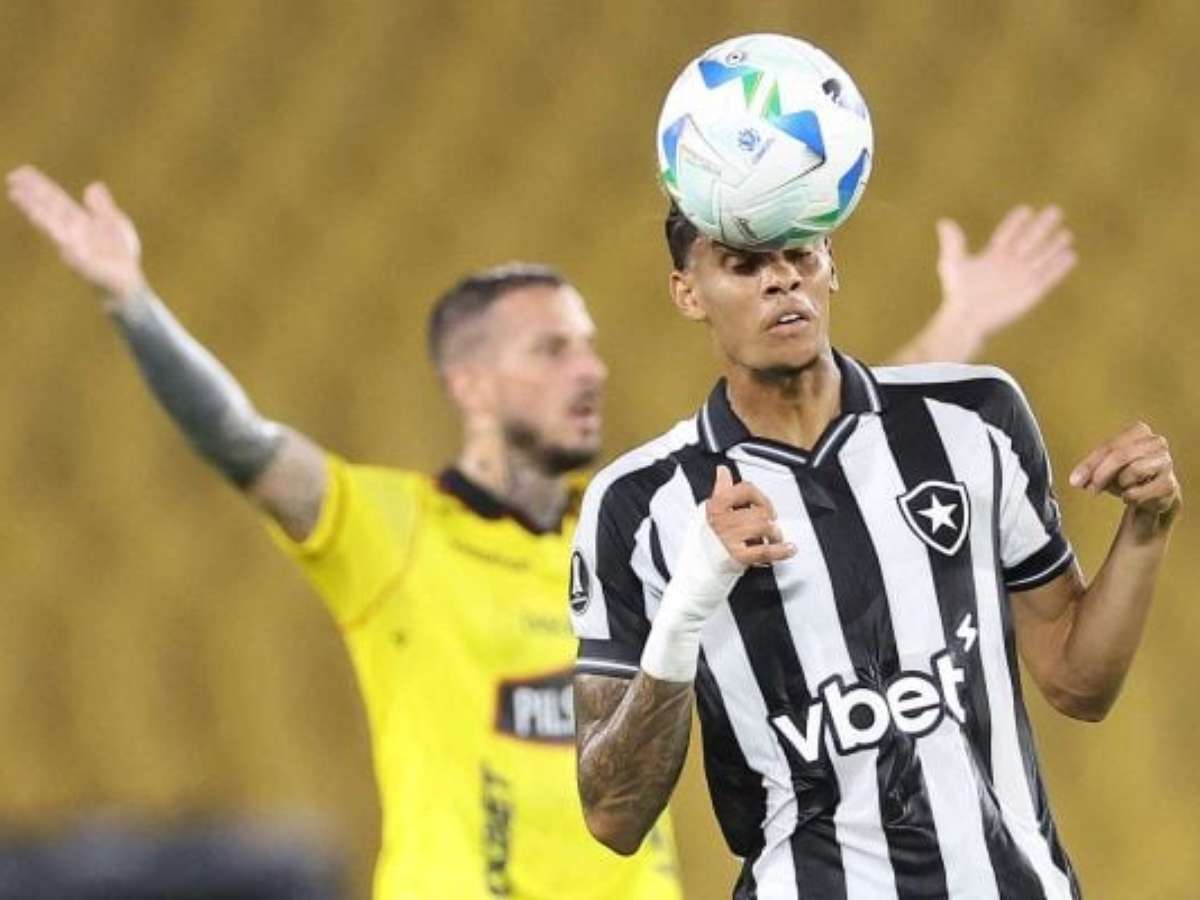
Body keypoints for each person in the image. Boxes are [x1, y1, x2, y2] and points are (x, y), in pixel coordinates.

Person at [7, 163, 1075, 899]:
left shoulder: (645, 527)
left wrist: (961, 323)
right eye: (551, 350)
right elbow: (242, 441)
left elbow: (838, 441)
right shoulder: (390, 533)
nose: (590, 370)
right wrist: (132, 301)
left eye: (591, 345)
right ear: (469, 383)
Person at [570, 203, 1179, 899]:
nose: (781, 280)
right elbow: (613, 816)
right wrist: (685, 610)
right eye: (744, 265)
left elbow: (1080, 684)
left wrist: (1148, 524)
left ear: (831, 262)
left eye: (801, 253)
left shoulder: (973, 417)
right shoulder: (639, 503)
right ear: (687, 293)